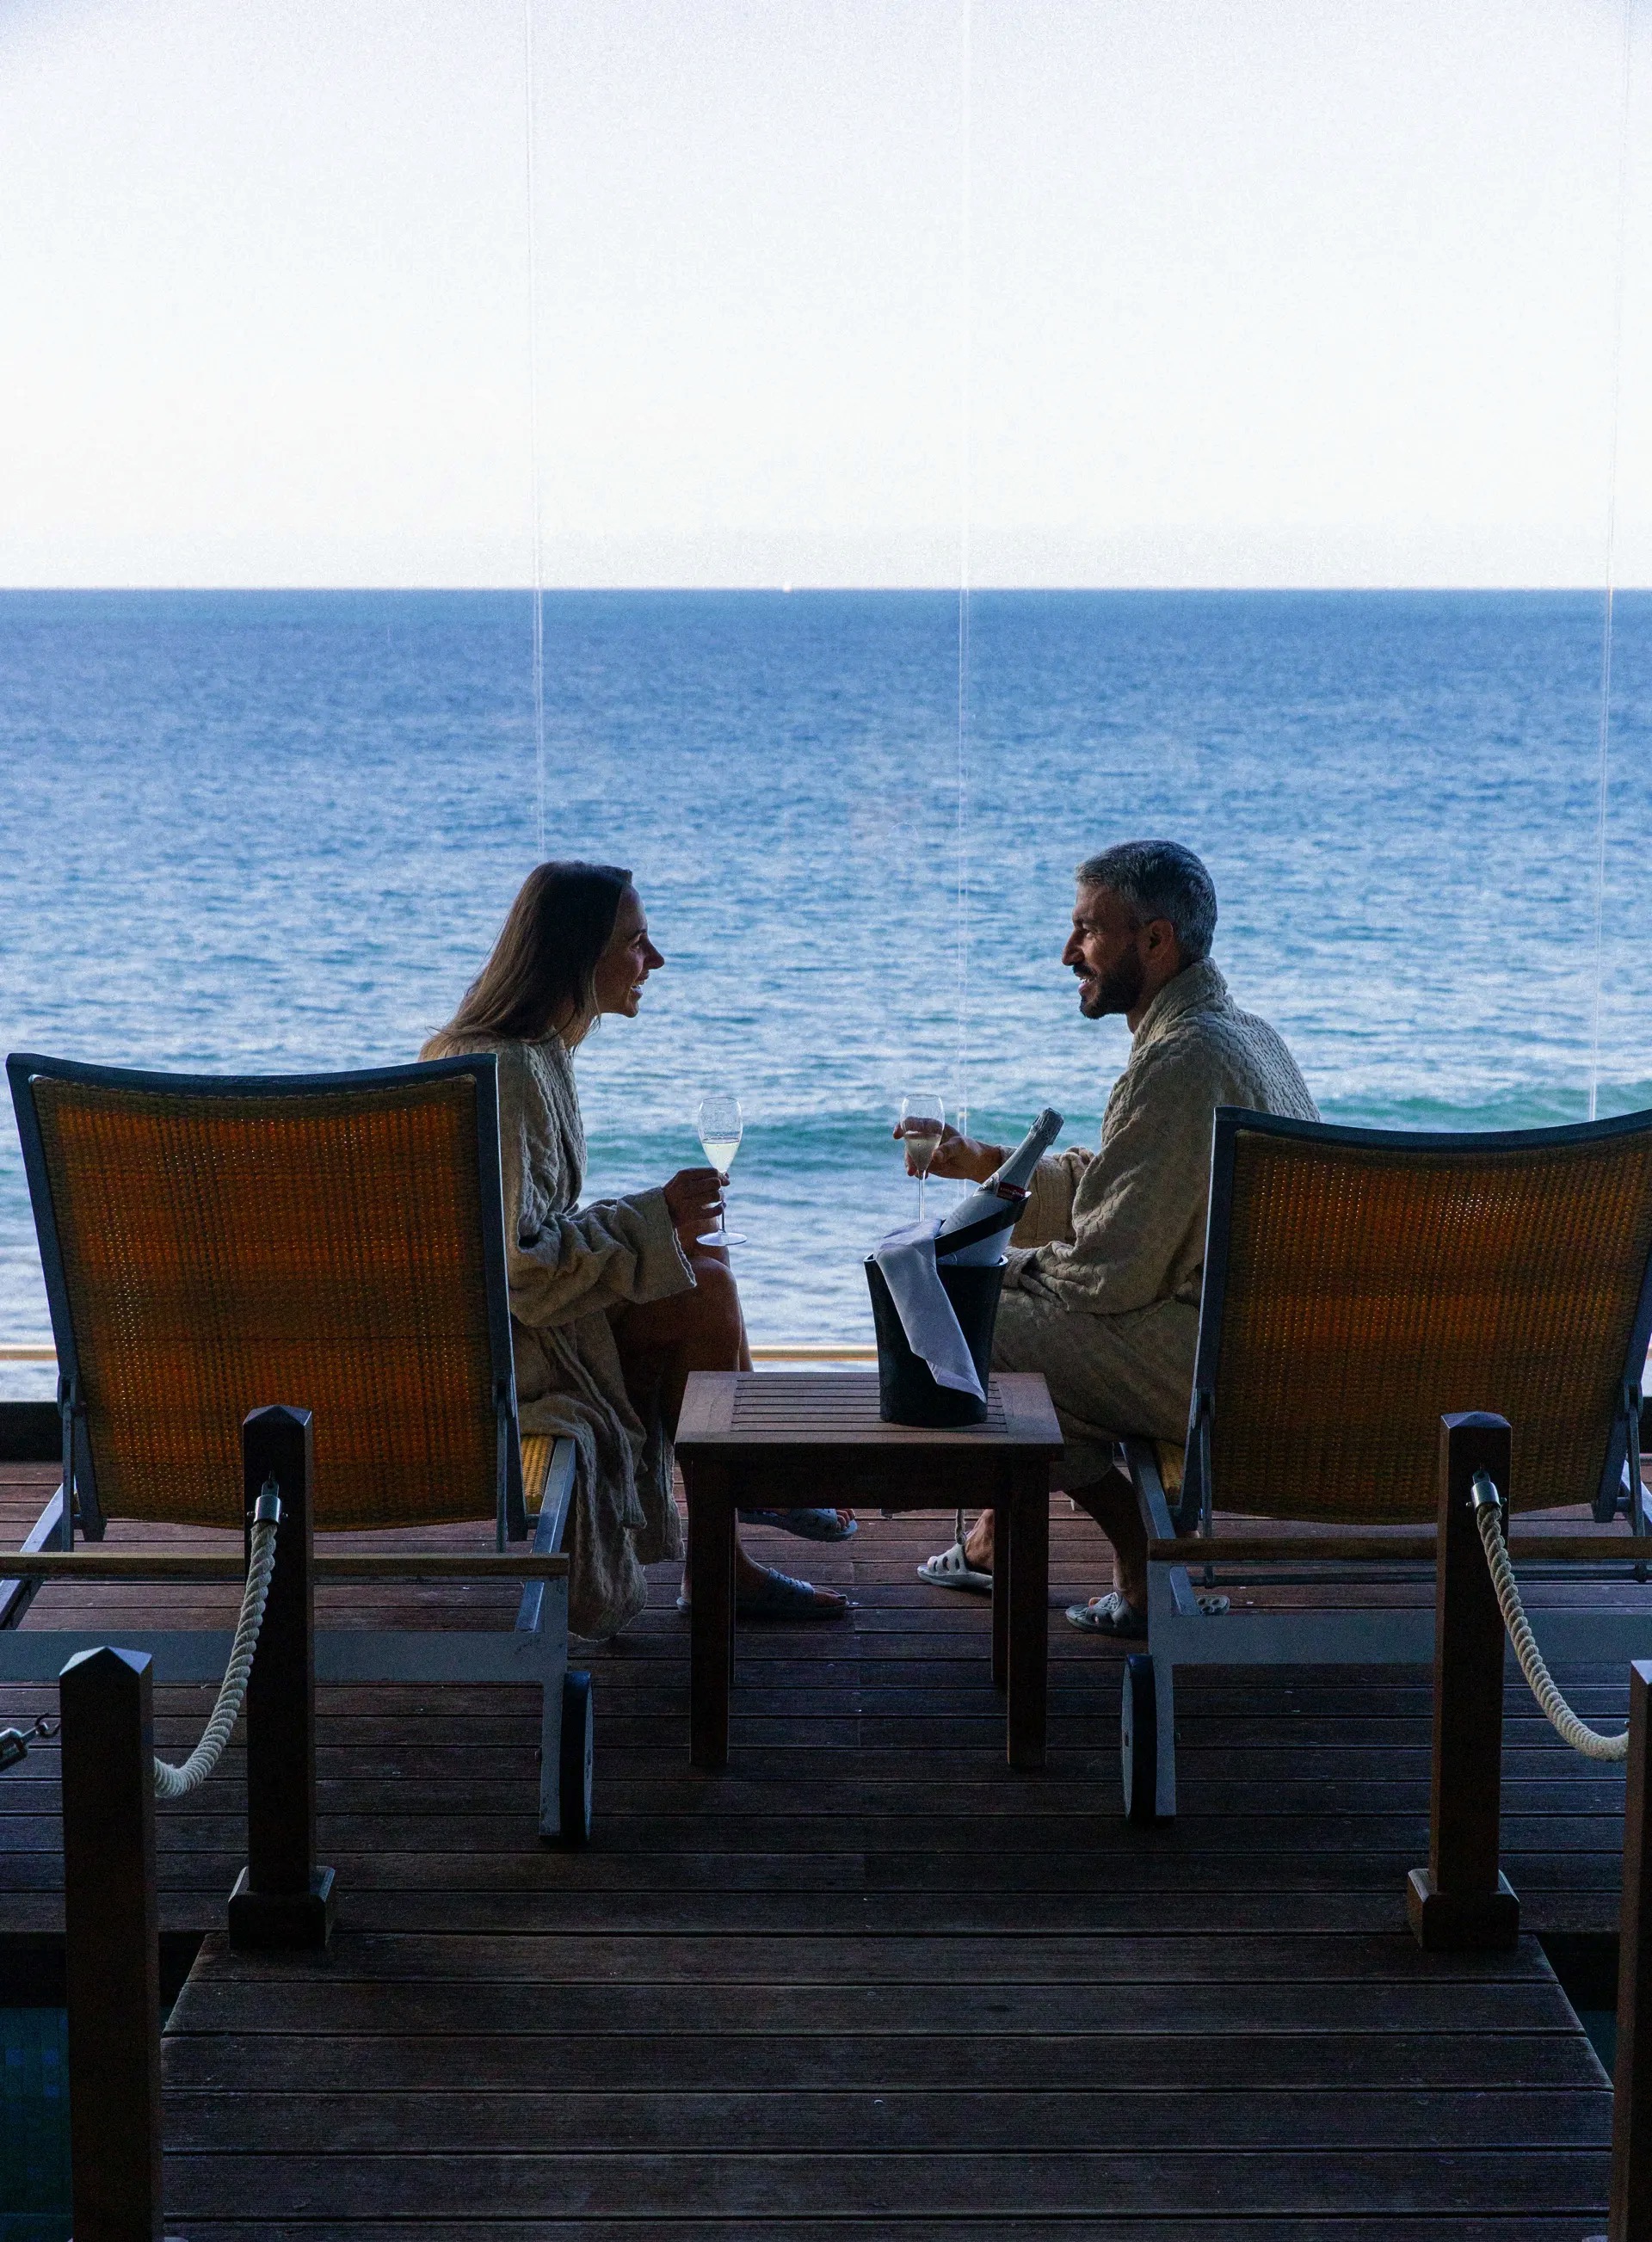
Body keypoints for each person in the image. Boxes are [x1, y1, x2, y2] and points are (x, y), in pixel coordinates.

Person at [424, 861, 850, 1640]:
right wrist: (652, 1218)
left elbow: (519, 1234)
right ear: (578, 956)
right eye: (636, 942)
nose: (655, 960)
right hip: (507, 1356)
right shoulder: (506, 1071)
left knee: (704, 1264)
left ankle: (742, 1509)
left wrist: (659, 1223)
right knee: (704, 1288)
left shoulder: (532, 1052)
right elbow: (518, 1267)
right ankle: (739, 1518)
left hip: (507, 1328)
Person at [908, 840, 1316, 1637]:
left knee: (970, 1318)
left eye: (1089, 931)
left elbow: (1107, 1274)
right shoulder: (1240, 1035)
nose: (1069, 953)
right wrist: (989, 1164)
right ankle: (1005, 1539)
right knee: (999, 1315)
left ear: (1156, 941)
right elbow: (1135, 1191)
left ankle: (1136, 1559)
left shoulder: (1182, 1062)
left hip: (1223, 1370)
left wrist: (986, 1264)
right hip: (1264, 1342)